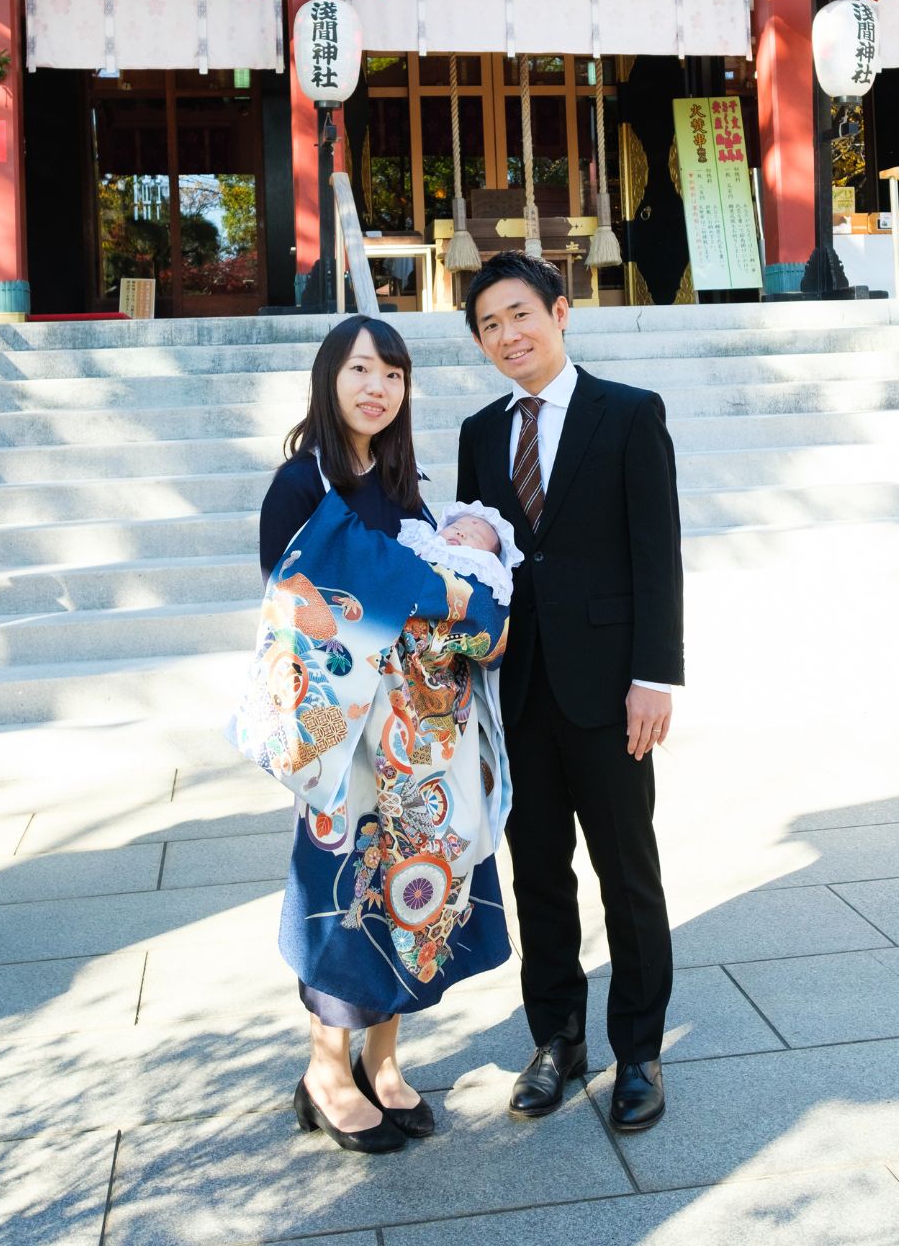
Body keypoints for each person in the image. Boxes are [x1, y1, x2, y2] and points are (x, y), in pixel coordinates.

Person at [252, 314, 512, 1153]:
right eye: (362, 370)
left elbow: (447, 597)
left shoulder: (405, 487)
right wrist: (425, 590)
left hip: (413, 744)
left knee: (415, 886)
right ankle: (325, 1071)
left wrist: (458, 607)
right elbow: (300, 605)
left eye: (393, 375)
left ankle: (384, 1058)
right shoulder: (302, 485)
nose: (377, 388)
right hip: (343, 738)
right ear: (331, 378)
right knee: (344, 893)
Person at [456, 251, 684, 1133]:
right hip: (516, 694)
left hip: (610, 689)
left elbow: (655, 551)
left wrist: (655, 676)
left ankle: (640, 1052)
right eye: (488, 326)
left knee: (628, 873)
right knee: (538, 873)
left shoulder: (628, 414)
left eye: (520, 315)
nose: (508, 335)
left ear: (559, 312)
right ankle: (556, 1040)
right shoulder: (481, 433)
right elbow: (474, 563)